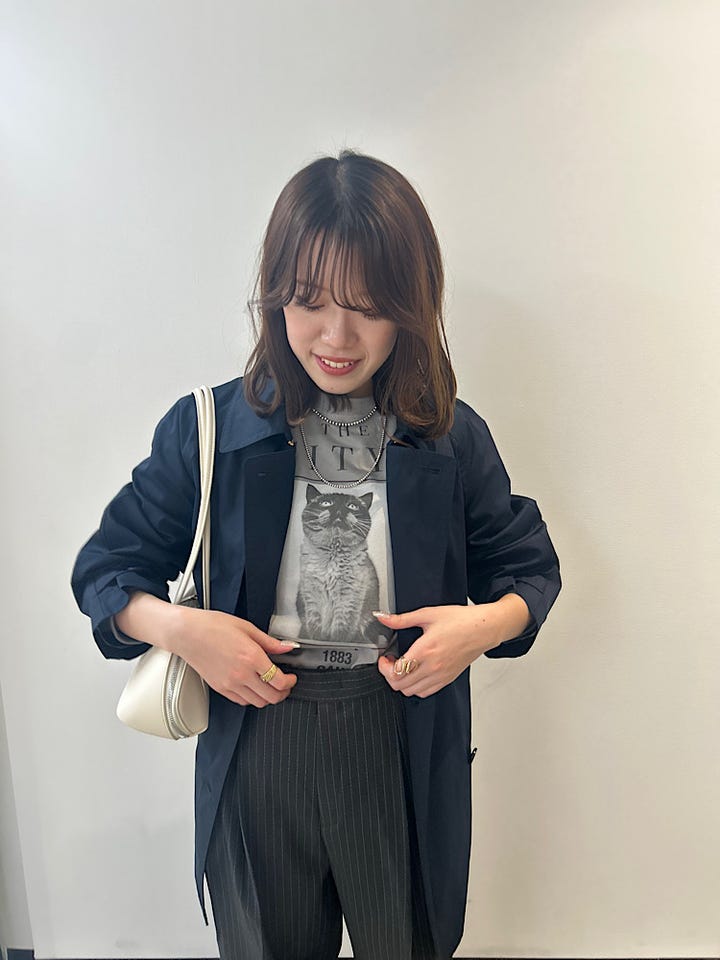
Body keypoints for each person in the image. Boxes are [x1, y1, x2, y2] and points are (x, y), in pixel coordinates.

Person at [71, 149, 561, 960]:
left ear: (410, 307)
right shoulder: (209, 430)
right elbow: (104, 571)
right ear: (275, 297)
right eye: (308, 302)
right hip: (256, 746)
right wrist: (187, 631)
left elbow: (529, 570)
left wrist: (478, 629)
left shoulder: (447, 437)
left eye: (368, 307)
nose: (337, 337)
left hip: (400, 743)